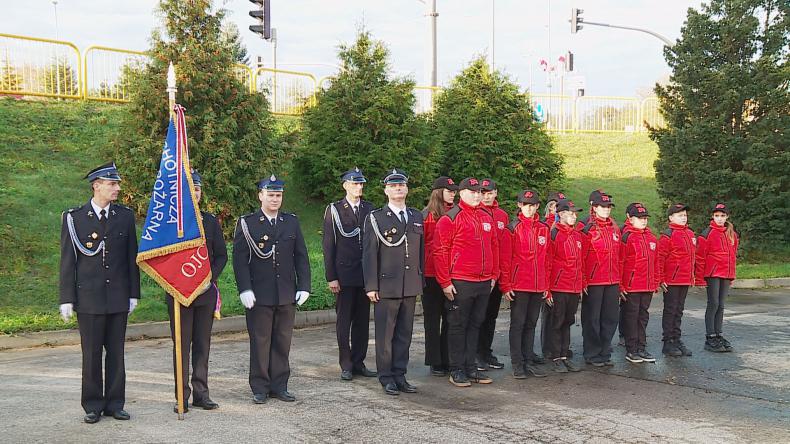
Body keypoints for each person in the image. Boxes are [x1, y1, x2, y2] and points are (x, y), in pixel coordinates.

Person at [59, 162, 140, 424]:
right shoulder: (74, 218)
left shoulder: (124, 216)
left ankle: (116, 403)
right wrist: (66, 298)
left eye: (116, 184)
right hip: (89, 298)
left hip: (117, 296)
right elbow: (68, 261)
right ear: (96, 186)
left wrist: (133, 293)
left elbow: (131, 258)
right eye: (112, 184)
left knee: (116, 353)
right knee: (91, 354)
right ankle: (92, 404)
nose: (117, 188)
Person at [233, 175, 311, 404]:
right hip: (259, 294)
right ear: (261, 196)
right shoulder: (248, 223)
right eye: (271, 195)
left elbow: (301, 256)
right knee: (261, 341)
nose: (275, 199)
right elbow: (240, 260)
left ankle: (280, 385)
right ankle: (260, 386)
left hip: (286, 292)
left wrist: (304, 285)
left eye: (278, 195)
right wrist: (244, 289)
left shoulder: (291, 222)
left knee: (282, 341)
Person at [166, 170, 227, 412]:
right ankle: (181, 397)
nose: (195, 193)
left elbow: (221, 255)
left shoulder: (210, 221)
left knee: (202, 344)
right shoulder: (171, 224)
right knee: (181, 345)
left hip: (204, 293)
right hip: (179, 294)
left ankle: (201, 393)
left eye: (198, 189)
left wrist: (208, 278)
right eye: (190, 189)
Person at [362, 169, 424, 396]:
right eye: (394, 186)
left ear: (407, 189)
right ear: (386, 190)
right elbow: (369, 255)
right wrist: (371, 285)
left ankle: (400, 374)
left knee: (404, 334)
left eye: (402, 185)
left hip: (410, 285)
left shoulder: (416, 216)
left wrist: (420, 278)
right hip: (386, 286)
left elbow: (421, 252)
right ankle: (386, 377)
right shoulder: (377, 218)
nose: (399, 189)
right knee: (385, 336)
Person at [434, 178, 500, 387]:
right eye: (471, 192)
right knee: (457, 326)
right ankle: (456, 369)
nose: (476, 195)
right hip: (461, 281)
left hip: (483, 281)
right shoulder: (450, 218)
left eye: (479, 192)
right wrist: (445, 281)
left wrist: (493, 275)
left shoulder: (485, 217)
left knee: (475, 325)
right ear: (461, 194)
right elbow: (440, 251)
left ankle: (471, 367)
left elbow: (494, 247)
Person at [322, 167, 377, 381]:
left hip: (365, 275)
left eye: (361, 184)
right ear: (345, 185)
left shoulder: (369, 208)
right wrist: (331, 276)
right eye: (355, 184)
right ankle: (345, 364)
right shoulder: (334, 210)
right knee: (344, 321)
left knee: (362, 321)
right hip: (344, 274)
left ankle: (358, 362)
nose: (359, 187)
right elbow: (328, 245)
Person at [499, 189, 549, 379]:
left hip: (537, 285)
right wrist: (506, 285)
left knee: (531, 324)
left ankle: (528, 361)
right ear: (519, 205)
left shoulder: (543, 228)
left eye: (533, 205)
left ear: (537, 206)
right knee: (518, 324)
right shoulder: (512, 229)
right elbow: (506, 260)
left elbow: (547, 259)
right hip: (519, 285)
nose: (529, 208)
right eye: (525, 204)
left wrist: (545, 284)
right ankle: (517, 363)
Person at [578, 190, 621, 367]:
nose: (606, 210)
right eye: (603, 207)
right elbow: (579, 255)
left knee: (610, 318)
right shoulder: (585, 226)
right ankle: (592, 353)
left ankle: (605, 350)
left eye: (609, 207)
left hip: (612, 279)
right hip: (594, 280)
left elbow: (621, 256)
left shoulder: (614, 226)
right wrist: (583, 279)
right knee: (592, 318)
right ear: (594, 207)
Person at [421, 176, 457, 376]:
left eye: (454, 190)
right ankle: (435, 360)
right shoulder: (427, 215)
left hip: (451, 272)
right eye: (449, 190)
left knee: (450, 318)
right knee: (432, 319)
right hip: (430, 273)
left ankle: (447, 356)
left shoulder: (456, 213)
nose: (453, 193)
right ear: (438, 192)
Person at [546, 199, 585, 373]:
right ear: (560, 214)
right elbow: (548, 261)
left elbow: (581, 261)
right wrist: (547, 289)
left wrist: (582, 282)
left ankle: (564, 354)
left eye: (575, 214)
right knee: (557, 321)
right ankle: (555, 356)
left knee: (568, 321)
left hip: (574, 286)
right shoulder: (554, 233)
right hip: (559, 285)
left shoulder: (577, 235)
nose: (574, 217)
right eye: (570, 213)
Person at [619, 204, 660, 364]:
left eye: (645, 218)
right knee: (631, 317)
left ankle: (641, 347)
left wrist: (655, 281)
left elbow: (655, 262)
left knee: (643, 317)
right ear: (631, 219)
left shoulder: (651, 238)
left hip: (647, 285)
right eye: (640, 218)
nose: (643, 221)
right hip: (632, 285)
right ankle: (631, 349)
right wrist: (621, 286)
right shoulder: (627, 237)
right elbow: (620, 262)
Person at [695, 202, 739, 353]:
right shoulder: (707, 234)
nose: (719, 219)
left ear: (727, 217)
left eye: (722, 216)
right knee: (713, 303)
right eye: (716, 216)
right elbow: (700, 257)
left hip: (726, 274)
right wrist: (700, 278)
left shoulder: (732, 234)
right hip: (712, 273)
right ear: (712, 216)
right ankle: (710, 336)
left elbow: (733, 256)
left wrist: (732, 275)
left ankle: (719, 334)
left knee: (721, 304)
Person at [477, 178, 509, 371]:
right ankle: (475, 354)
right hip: (481, 274)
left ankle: (486, 352)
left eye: (490, 193)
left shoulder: (502, 216)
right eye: (483, 193)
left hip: (496, 274)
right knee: (477, 317)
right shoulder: (475, 213)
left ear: (496, 193)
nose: (486, 196)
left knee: (491, 317)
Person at [657, 203, 696, 358]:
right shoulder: (668, 235)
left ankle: (676, 338)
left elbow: (693, 257)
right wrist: (661, 278)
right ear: (671, 218)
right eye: (680, 215)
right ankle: (668, 342)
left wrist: (693, 276)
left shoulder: (690, 234)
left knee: (679, 311)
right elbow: (660, 258)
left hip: (684, 278)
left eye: (685, 215)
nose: (683, 218)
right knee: (670, 310)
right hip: (671, 280)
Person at [540, 191, 566, 359]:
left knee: (561, 316)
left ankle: (560, 347)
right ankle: (547, 347)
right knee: (548, 314)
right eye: (552, 206)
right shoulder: (545, 226)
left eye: (558, 206)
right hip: (548, 276)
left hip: (563, 278)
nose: (554, 209)